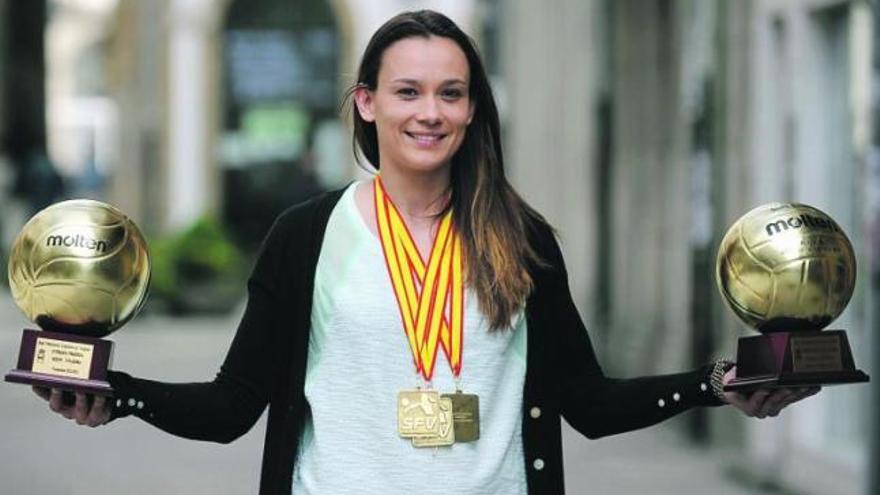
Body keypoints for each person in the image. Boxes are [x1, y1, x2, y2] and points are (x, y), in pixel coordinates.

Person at [33, 10, 819, 495]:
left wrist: (718, 383)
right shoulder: (306, 236)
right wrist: (119, 392)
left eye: (450, 92)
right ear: (367, 102)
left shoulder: (522, 237)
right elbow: (232, 406)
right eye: (407, 91)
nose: (430, 112)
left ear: (474, 108)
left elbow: (585, 401)